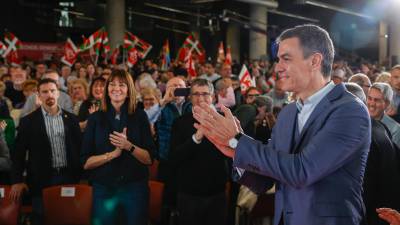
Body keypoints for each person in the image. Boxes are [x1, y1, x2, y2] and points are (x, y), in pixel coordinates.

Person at [193, 24, 371, 225]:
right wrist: (234, 150)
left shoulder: (350, 111)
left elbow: (302, 171)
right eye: (278, 59)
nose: (277, 67)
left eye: (286, 59)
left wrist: (238, 142)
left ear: (315, 60)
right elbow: (265, 180)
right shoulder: (288, 113)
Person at [81, 69, 155, 225]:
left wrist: (129, 146)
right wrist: (112, 155)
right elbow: (86, 162)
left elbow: (149, 159)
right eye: (112, 84)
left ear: (129, 91)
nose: (116, 88)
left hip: (134, 187)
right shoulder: (94, 118)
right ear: (107, 89)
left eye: (122, 85)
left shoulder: (140, 116)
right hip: (103, 188)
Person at [10, 78, 82, 225]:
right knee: (42, 219)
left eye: (52, 91)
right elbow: (18, 154)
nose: (49, 94)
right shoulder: (28, 121)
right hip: (41, 180)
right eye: (45, 92)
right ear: (39, 95)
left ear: (58, 94)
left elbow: (79, 148)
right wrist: (17, 181)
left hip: (69, 177)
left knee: (68, 219)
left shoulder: (72, 119)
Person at [169, 78, 228, 225]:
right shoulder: (179, 123)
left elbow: (234, 154)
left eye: (205, 94)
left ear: (213, 97)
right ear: (190, 97)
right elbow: (174, 158)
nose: (200, 98)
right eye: (196, 94)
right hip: (189, 194)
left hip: (217, 193)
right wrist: (196, 137)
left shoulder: (225, 121)